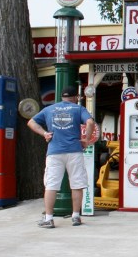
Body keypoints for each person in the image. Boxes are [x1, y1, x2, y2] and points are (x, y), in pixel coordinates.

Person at [27, 85, 95, 228]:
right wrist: (86, 140)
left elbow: (31, 122)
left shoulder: (49, 109)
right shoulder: (79, 109)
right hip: (74, 151)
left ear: (62, 97)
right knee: (77, 184)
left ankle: (49, 218)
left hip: (54, 152)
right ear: (75, 97)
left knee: (51, 185)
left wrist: (44, 133)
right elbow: (90, 122)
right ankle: (76, 216)